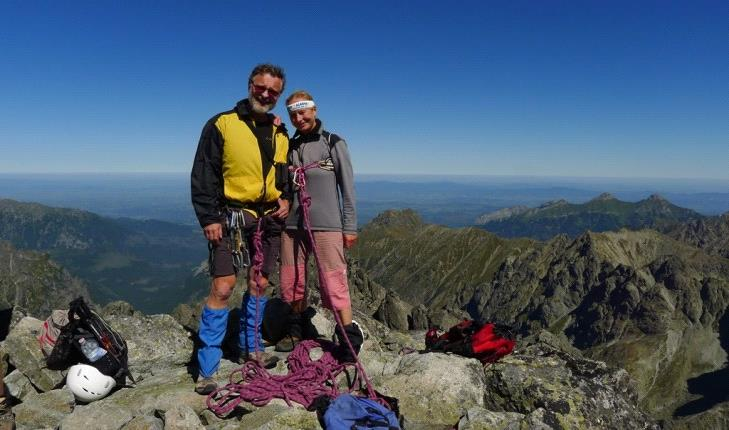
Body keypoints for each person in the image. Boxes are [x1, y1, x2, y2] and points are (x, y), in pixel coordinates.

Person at [190, 63, 289, 394]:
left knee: (260, 284)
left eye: (273, 91)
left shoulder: (280, 132)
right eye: (261, 87)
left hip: (269, 220)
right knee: (223, 286)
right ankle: (208, 368)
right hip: (231, 218)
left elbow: (284, 174)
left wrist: (286, 197)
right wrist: (209, 218)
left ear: (278, 96)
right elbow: (205, 173)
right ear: (250, 85)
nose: (266, 94)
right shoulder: (223, 124)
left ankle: (252, 348)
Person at [276, 91, 363, 362]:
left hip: (327, 224)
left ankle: (348, 338)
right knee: (292, 279)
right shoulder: (289, 146)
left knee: (333, 280)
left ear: (314, 110)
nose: (299, 118)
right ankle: (295, 329)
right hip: (292, 224)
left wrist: (349, 226)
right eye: (293, 114)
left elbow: (347, 190)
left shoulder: (333, 143)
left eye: (303, 112)